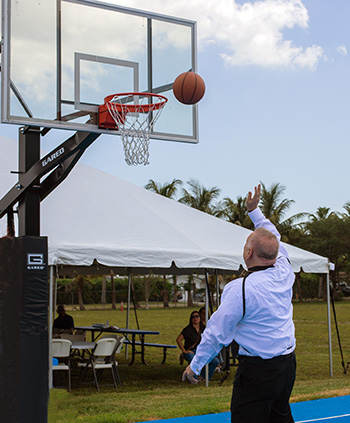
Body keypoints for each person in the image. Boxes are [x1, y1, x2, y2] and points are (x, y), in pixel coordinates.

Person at [182, 184, 296, 423]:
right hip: (286, 366)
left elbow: (216, 331)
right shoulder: (285, 269)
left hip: (258, 371)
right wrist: (255, 212)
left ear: (248, 253)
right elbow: (272, 235)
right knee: (280, 418)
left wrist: (196, 364)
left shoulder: (240, 289)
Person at [176, 310, 219, 381]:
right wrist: (184, 351)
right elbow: (178, 340)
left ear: (200, 318)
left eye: (197, 316)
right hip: (191, 351)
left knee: (215, 361)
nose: (195, 318)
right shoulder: (187, 329)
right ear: (191, 319)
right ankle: (194, 379)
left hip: (202, 351)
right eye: (193, 317)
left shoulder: (204, 328)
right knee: (192, 358)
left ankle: (204, 377)